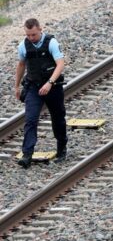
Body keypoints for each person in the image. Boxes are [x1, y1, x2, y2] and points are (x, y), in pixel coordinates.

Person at [15, 18, 68, 168]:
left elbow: (60, 64)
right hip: (33, 87)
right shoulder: (23, 46)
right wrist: (16, 86)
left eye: (33, 34)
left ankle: (61, 148)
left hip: (53, 86)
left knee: (58, 119)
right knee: (30, 119)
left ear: (40, 29)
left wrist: (50, 83)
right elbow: (21, 65)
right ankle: (27, 154)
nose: (31, 38)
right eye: (28, 35)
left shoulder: (51, 43)